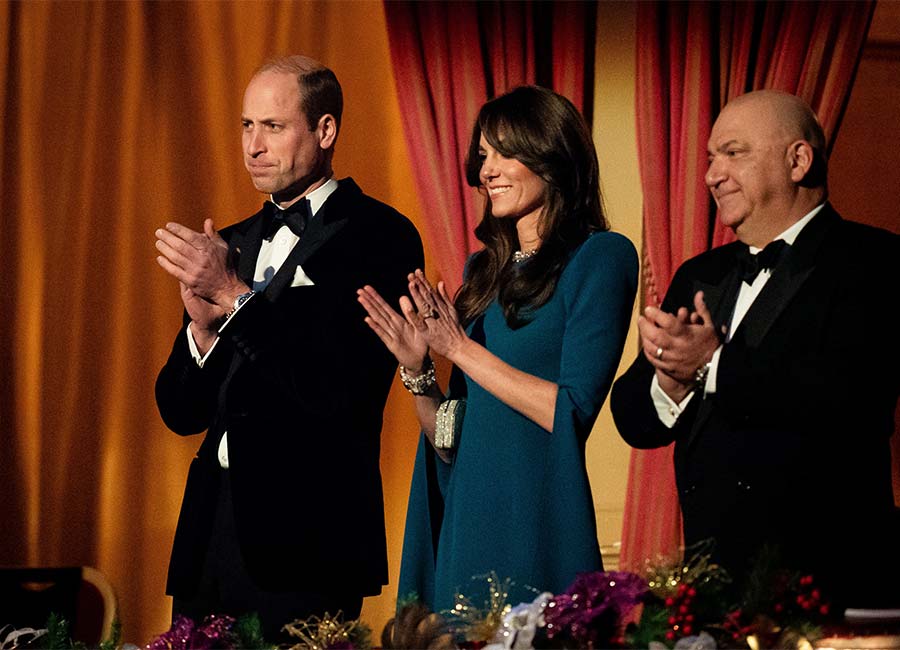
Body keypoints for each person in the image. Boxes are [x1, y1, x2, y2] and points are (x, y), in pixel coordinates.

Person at [154, 55, 424, 635]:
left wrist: (233, 297)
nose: (253, 145)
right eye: (247, 126)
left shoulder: (380, 236)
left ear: (325, 131)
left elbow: (336, 391)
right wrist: (201, 330)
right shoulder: (228, 243)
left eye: (273, 127)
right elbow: (181, 413)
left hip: (310, 536)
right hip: (211, 534)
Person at [611, 90, 899, 606]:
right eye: (708, 158)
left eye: (733, 152)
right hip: (712, 591)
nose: (711, 175)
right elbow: (635, 419)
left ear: (798, 160)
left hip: (830, 587)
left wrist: (713, 366)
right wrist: (671, 382)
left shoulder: (876, 263)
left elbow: (847, 397)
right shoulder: (701, 274)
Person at [358, 85, 638, 611]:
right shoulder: (481, 272)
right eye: (483, 155)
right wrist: (419, 371)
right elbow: (448, 441)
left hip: (535, 522)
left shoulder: (601, 258)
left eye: (505, 152)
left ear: (552, 157)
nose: (486, 170)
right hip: (467, 522)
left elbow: (571, 411)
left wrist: (460, 350)